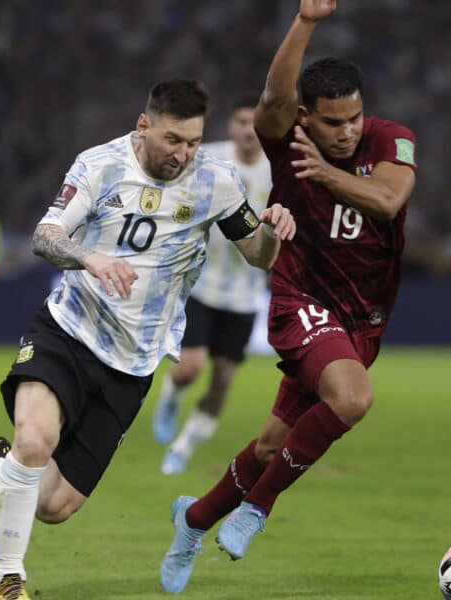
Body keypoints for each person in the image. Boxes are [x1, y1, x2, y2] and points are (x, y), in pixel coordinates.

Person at [0, 79, 296, 600]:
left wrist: (275, 231)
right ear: (144, 125)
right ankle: (7, 580)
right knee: (35, 442)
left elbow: (259, 256)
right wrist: (91, 257)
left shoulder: (215, 181)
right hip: (69, 329)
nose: (184, 154)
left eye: (194, 142)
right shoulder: (100, 165)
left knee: (54, 506)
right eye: (174, 140)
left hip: (134, 361)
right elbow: (46, 234)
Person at [159, 1, 417, 593]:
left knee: (275, 441)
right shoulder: (288, 137)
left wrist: (325, 175)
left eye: (354, 118)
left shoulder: (393, 139)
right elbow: (273, 101)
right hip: (300, 298)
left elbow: (387, 201)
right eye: (332, 123)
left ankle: (193, 519)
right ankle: (258, 508)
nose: (347, 130)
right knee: (351, 400)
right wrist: (306, 21)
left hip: (362, 320)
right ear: (309, 117)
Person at [152, 94, 274, 475]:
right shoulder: (210, 158)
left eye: (255, 124)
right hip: (202, 283)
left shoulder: (277, 171)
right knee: (190, 366)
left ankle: (182, 448)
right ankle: (171, 396)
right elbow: (178, 200)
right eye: (241, 122)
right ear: (231, 127)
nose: (248, 131)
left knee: (222, 380)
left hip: (246, 294)